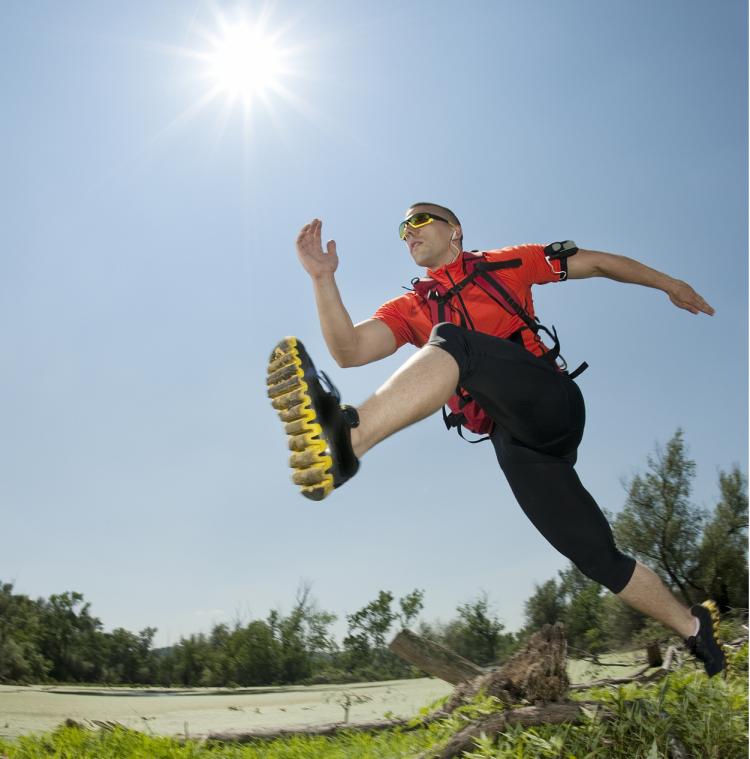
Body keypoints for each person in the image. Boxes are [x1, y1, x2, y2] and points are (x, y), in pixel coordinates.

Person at [266, 202, 725, 676]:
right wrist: (322, 279)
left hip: (551, 406)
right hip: (515, 444)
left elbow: (601, 263)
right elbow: (350, 351)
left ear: (455, 231)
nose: (409, 232)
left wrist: (670, 283)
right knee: (596, 556)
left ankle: (348, 440)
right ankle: (696, 631)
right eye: (403, 229)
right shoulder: (412, 308)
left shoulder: (508, 263)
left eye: (420, 221)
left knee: (454, 340)